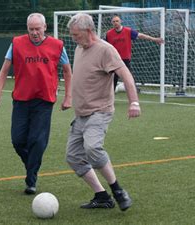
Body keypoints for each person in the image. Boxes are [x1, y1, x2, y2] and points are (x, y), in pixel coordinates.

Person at [0, 13, 72, 195]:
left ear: (45, 28)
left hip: (44, 100)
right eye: (31, 29)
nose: (34, 33)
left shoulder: (57, 46)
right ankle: (31, 167)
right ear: (27, 28)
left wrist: (68, 97)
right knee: (18, 140)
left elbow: (67, 71)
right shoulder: (17, 43)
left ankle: (31, 179)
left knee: (37, 140)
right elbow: (4, 71)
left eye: (37, 29)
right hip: (21, 99)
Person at [66, 13, 141, 211]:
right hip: (80, 114)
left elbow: (125, 74)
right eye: (72, 35)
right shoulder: (79, 48)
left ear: (88, 31)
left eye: (76, 35)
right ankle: (102, 196)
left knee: (92, 148)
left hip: (99, 111)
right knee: (73, 157)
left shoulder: (106, 50)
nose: (74, 38)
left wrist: (134, 102)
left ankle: (117, 190)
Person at [105, 15, 164, 92]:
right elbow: (105, 46)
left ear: (120, 21)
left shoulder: (128, 31)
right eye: (114, 21)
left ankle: (133, 95)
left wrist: (154, 39)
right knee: (112, 79)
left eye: (117, 21)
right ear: (112, 23)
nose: (115, 23)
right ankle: (108, 96)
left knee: (128, 78)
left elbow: (141, 35)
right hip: (114, 59)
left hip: (125, 59)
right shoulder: (109, 34)